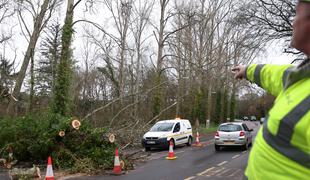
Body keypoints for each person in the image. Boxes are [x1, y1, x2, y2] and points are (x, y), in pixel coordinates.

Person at [232, 1, 310, 179]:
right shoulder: (299, 77)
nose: (293, 22)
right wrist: (247, 70)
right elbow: (271, 74)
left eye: (297, 14)